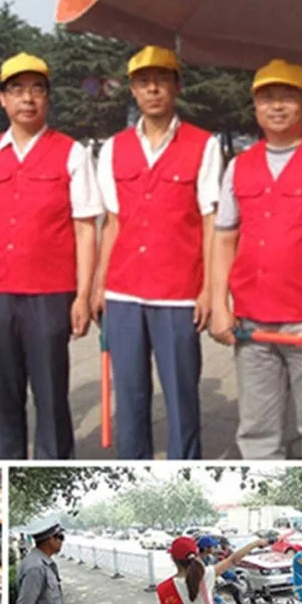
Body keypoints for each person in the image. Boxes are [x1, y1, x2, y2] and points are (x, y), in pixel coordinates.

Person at [0, 53, 102, 460]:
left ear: (48, 98)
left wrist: (83, 295)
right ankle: (8, 472)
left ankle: (54, 467)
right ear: (2, 99)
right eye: (17, 90)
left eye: (37, 89)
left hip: (49, 294)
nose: (27, 99)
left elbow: (85, 228)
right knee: (2, 399)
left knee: (51, 395)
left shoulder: (71, 153)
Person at [210, 59, 302, 460]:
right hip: (252, 322)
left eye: (287, 97)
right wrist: (218, 306)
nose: (277, 106)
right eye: (267, 98)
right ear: (255, 107)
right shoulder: (239, 166)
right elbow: (224, 238)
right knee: (258, 429)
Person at [92, 46, 221, 460]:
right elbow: (111, 222)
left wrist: (209, 291)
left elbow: (211, 222)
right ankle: (133, 471)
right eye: (144, 82)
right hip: (124, 292)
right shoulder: (112, 149)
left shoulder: (204, 145)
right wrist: (98, 286)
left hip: (178, 292)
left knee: (182, 397)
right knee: (129, 400)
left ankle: (186, 471)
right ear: (132, 90)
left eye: (161, 79)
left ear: (176, 86)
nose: (152, 89)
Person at [10, 519, 68, 604]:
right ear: (50, 540)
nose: (62, 541)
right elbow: (26, 603)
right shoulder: (36, 567)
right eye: (60, 537)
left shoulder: (44, 563)